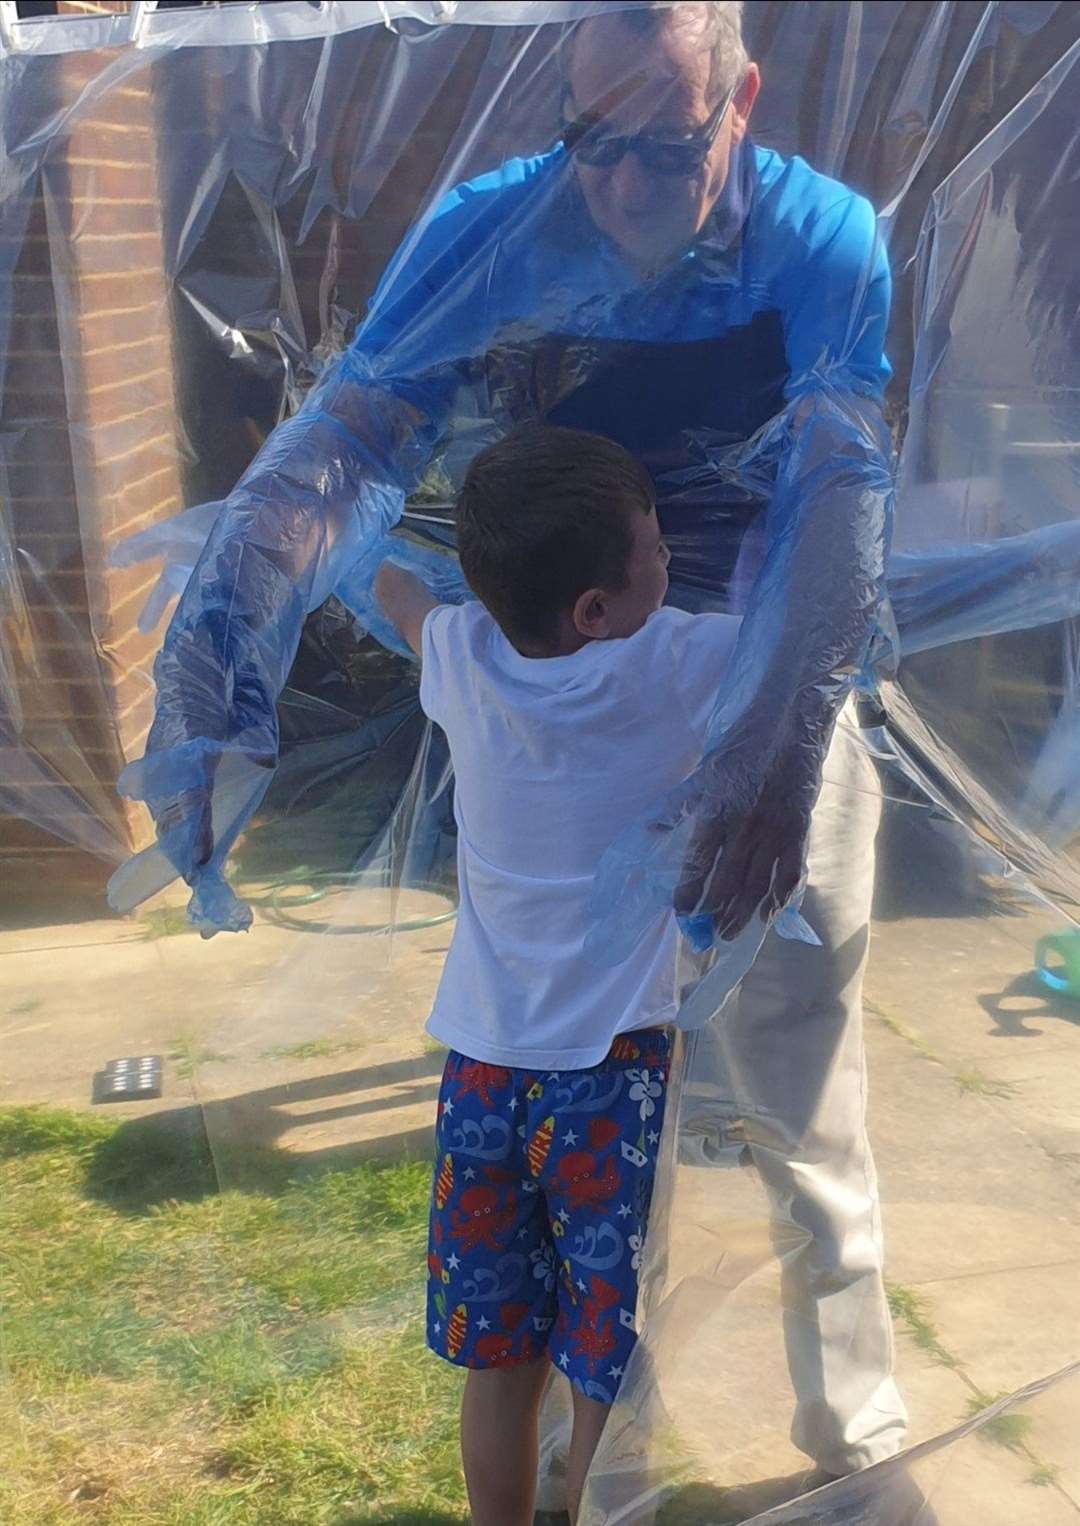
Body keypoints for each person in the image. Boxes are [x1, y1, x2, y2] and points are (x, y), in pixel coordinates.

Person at [112, 0, 905, 1482]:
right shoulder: (497, 223)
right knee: (614, 1138)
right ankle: (599, 1482)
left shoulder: (823, 233)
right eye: (584, 141)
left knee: (802, 1115)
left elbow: (839, 490)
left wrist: (780, 743)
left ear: (745, 97)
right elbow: (347, 439)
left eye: (661, 149)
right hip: (574, 726)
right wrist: (226, 641)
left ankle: (854, 1457)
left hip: (765, 697)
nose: (613, 187)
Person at [374, 424, 742, 1526]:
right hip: (608, 1076)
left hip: (482, 1075)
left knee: (502, 1355)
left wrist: (320, 525)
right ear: (595, 608)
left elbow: (391, 593)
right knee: (603, 1362)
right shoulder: (671, 662)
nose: (672, 564)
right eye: (658, 549)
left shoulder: (461, 653)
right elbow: (826, 629)